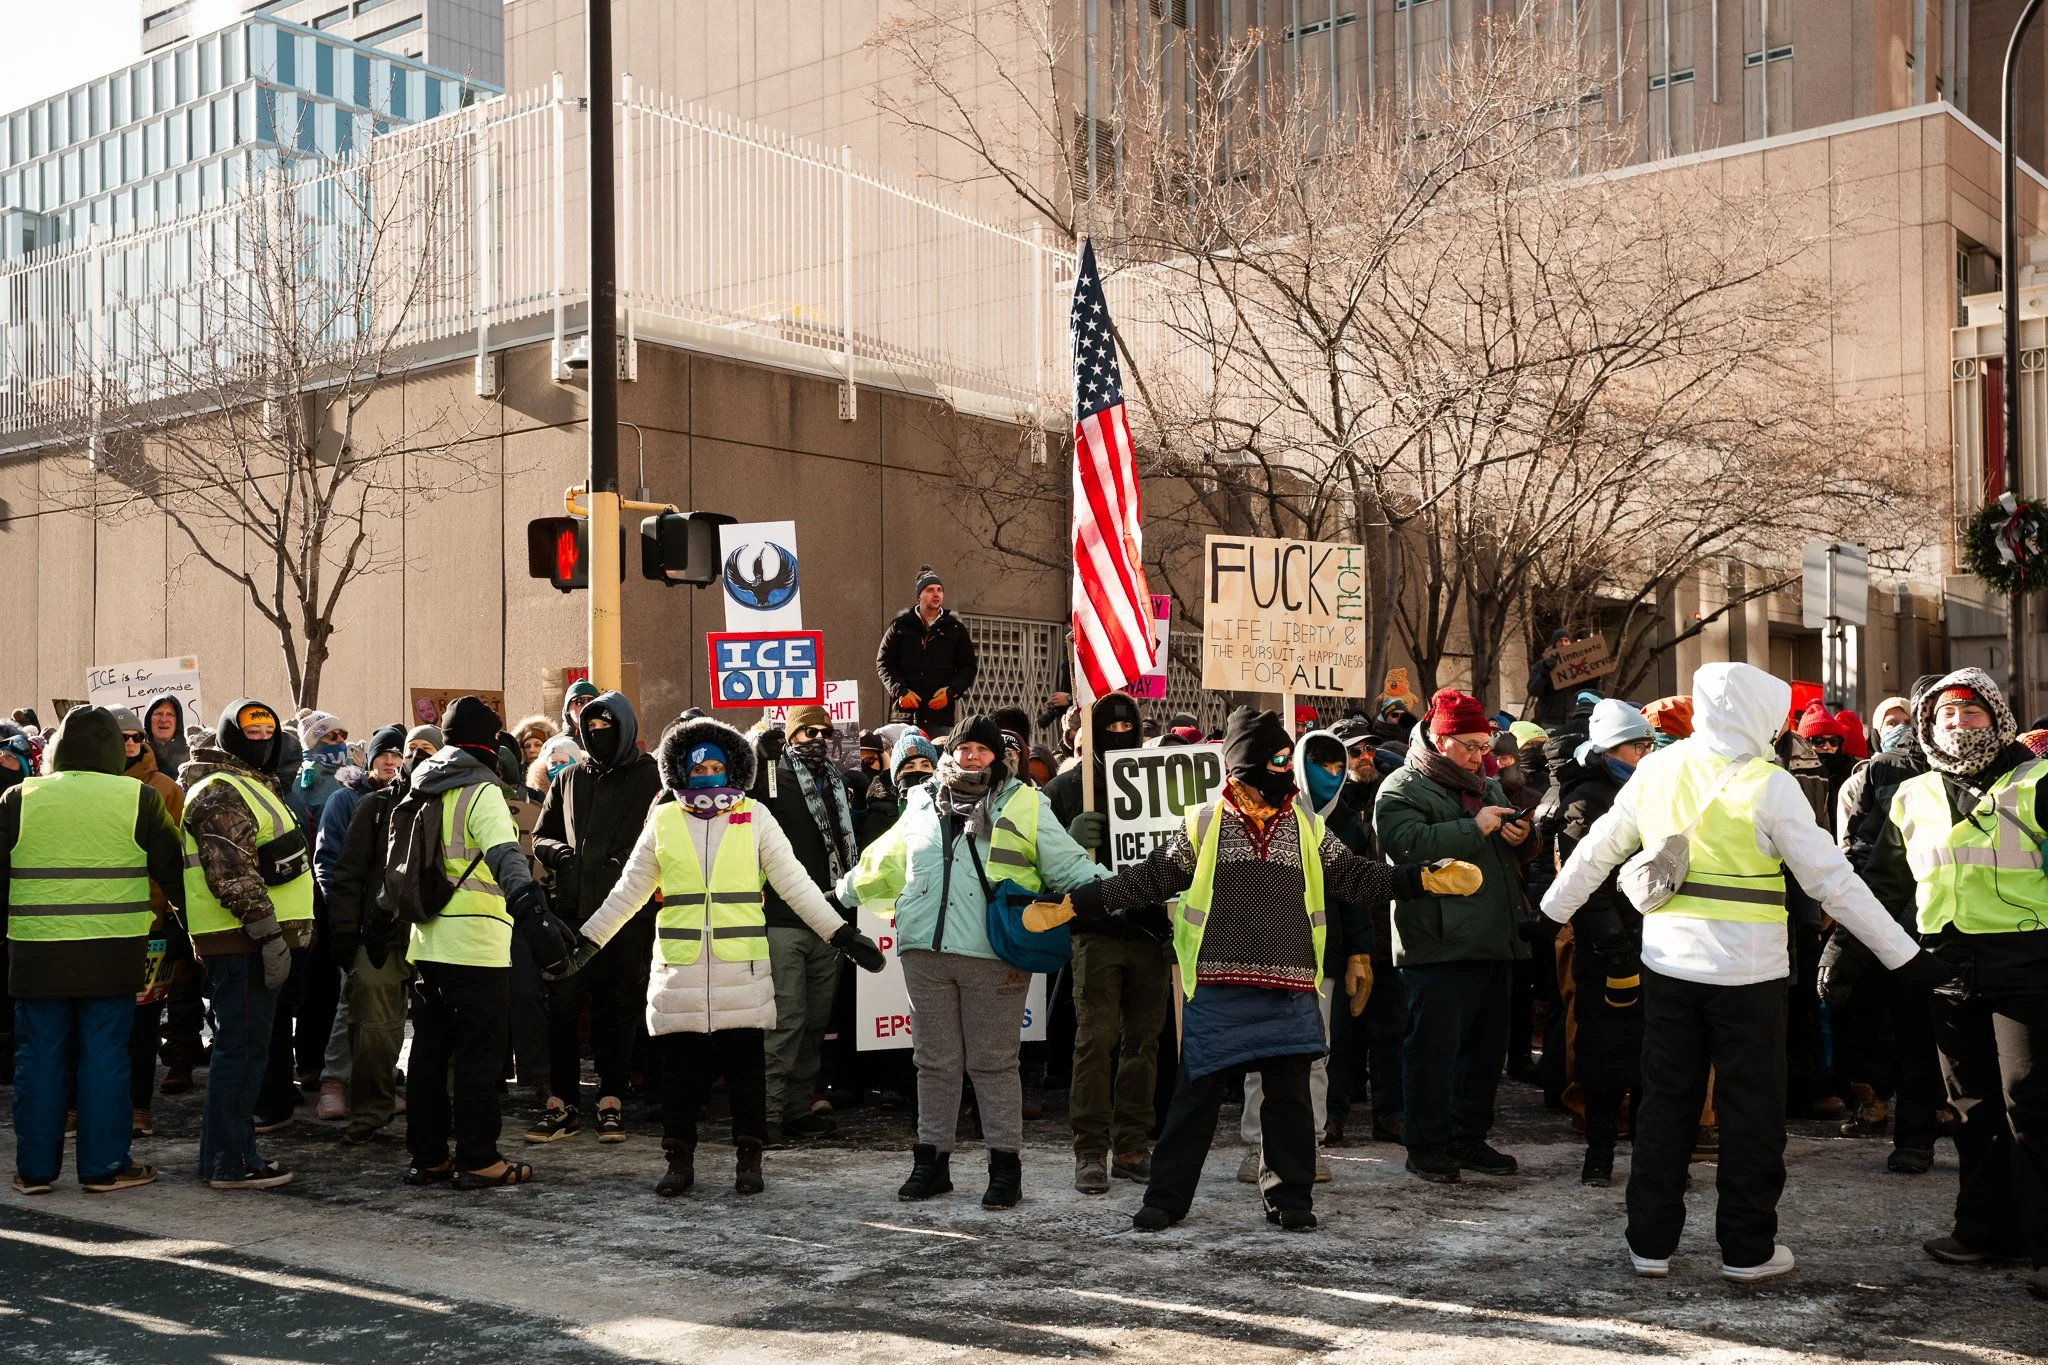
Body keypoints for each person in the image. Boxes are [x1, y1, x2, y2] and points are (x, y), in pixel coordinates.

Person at [1543, 662, 1945, 1284]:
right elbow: (1832, 883)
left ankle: (1649, 1243)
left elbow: (1599, 847)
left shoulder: (1655, 769)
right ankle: (1747, 1250)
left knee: (1665, 1104)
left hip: (1668, 963)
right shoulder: (1770, 783)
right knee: (1750, 1111)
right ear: (1761, 716)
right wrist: (1905, 956)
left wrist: (1550, 914)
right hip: (1750, 974)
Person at [1047, 706, 1480, 1232]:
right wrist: (1079, 903)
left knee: (1290, 1101)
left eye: (1285, 759)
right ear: (1244, 764)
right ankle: (1167, 1198)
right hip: (1218, 982)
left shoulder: (1306, 824)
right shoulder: (1204, 823)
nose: (1284, 769)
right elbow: (1150, 879)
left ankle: (1290, 1198)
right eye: (1275, 758)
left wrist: (1420, 879)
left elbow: (1357, 879)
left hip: (1290, 983)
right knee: (1196, 1097)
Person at [558, 717, 885, 1197]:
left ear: (732, 769)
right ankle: (678, 1160)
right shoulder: (664, 820)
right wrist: (586, 942)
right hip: (680, 970)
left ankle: (749, 1159)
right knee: (679, 1078)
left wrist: (840, 935)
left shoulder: (755, 817)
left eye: (716, 765)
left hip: (743, 969)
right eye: (698, 767)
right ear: (681, 773)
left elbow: (795, 884)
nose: (707, 774)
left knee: (746, 1073)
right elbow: (627, 892)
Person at [837, 714, 1106, 1209]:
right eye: (965, 749)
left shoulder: (1024, 802)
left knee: (993, 1063)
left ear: (997, 756)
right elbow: (889, 859)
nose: (974, 757)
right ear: (951, 752)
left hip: (994, 951)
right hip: (924, 950)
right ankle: (930, 1162)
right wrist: (841, 890)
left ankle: (1005, 1169)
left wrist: (1118, 890)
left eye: (983, 750)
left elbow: (1068, 864)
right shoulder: (921, 800)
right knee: (933, 1063)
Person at [1857, 669, 2048, 1300]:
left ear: (1997, 718)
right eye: (1945, 717)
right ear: (1924, 726)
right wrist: (1845, 944)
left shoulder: (2038, 780)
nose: (1958, 726)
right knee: (1969, 1106)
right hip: (1947, 968)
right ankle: (1983, 1229)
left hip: (2030, 965)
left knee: (2032, 1102)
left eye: (1971, 714)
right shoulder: (1910, 795)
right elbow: (1886, 883)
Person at [2, 706, 183, 1195]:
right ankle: (104, 1167)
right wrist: (196, 934)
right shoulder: (139, 797)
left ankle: (34, 1172)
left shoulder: (19, 797)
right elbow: (175, 871)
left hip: (37, 952)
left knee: (38, 1057)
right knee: (106, 1057)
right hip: (114, 950)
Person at [401, 696, 574, 1189]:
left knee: (429, 1054)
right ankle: (479, 1158)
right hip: (477, 944)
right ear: (491, 743)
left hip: (426, 940)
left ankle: (428, 1157)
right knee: (479, 1055)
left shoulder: (421, 787)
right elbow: (506, 859)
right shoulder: (481, 793)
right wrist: (535, 916)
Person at [1374, 688, 1533, 1185]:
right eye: (1468, 745)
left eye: (1484, 745)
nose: (1479, 755)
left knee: (1485, 1050)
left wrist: (1524, 838)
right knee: (1434, 1051)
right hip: (1437, 941)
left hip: (1493, 936)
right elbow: (1405, 847)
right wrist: (1474, 828)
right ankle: (1425, 1145)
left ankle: (1468, 1136)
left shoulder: (1487, 785)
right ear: (1440, 740)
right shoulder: (1401, 787)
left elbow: (1508, 849)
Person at [179, 700, 315, 1191]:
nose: (261, 737)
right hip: (244, 944)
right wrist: (269, 935)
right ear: (228, 735)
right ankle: (231, 1163)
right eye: (250, 729)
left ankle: (226, 1155)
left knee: (246, 1052)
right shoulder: (221, 792)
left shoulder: (251, 786)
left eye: (268, 729)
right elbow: (232, 875)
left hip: (254, 942)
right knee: (240, 1053)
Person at [1045, 693, 1172, 1194]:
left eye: (1128, 727)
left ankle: (1133, 1144)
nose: (1120, 735)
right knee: (1094, 1041)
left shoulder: (1159, 783)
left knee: (1145, 1042)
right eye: (1109, 728)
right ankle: (1090, 1150)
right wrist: (1071, 840)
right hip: (1095, 933)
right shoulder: (1064, 789)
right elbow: (1043, 869)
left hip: (1151, 933)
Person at [526, 693, 661, 1145]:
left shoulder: (651, 778)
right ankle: (562, 1102)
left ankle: (611, 1099)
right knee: (563, 1009)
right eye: (591, 730)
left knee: (618, 1008)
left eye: (607, 729)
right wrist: (556, 853)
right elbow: (539, 834)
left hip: (627, 916)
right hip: (571, 915)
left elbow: (663, 839)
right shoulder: (570, 779)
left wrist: (628, 862)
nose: (599, 737)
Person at [744, 704, 862, 1145]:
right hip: (780, 920)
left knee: (814, 1023)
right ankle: (768, 1116)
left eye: (823, 731)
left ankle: (796, 1108)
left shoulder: (836, 782)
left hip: (828, 920)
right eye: (806, 731)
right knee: (785, 1022)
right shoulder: (775, 774)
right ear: (790, 736)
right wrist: (764, 756)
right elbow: (751, 801)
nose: (816, 737)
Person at [1551, 699, 1657, 1186]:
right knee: (1604, 1055)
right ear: (1614, 748)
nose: (1647, 753)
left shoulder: (1647, 789)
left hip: (1651, 938)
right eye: (1639, 745)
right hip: (1607, 949)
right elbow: (1584, 881)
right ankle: (1599, 1153)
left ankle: (1649, 1155)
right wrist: (1615, 947)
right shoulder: (1587, 799)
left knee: (1651, 1056)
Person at [322, 735, 422, 1146]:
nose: (414, 760)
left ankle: (442, 1110)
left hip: (440, 937)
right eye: (408, 752)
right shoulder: (374, 807)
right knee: (373, 1032)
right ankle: (371, 1111)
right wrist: (345, 930)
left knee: (444, 1031)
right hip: (381, 940)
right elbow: (346, 873)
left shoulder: (459, 806)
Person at [309, 724, 406, 1122]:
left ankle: (375, 1086)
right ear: (369, 759)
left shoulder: (410, 800)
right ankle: (334, 1084)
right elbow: (330, 862)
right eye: (383, 753)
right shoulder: (346, 800)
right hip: (358, 919)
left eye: (397, 754)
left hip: (398, 923)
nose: (390, 760)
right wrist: (343, 917)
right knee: (350, 1001)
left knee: (385, 1013)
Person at [110, 708, 187, 1139]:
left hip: (151, 929)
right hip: (97, 931)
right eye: (120, 737)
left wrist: (171, 919)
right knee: (89, 1023)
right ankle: (74, 1107)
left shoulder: (165, 790)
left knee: (142, 1025)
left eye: (136, 737)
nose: (130, 744)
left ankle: (140, 1107)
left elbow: (171, 862)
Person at [876, 566, 977, 733]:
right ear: (919, 596)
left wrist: (951, 692)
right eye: (930, 590)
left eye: (939, 590)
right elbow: (883, 663)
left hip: (939, 717)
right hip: (904, 715)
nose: (936, 594)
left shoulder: (955, 628)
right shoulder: (899, 626)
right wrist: (899, 690)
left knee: (938, 757)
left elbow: (968, 667)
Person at [286, 711, 351, 825]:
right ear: (313, 743)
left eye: (342, 734)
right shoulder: (300, 785)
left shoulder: (357, 775)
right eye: (331, 736)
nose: (341, 740)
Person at [142, 695, 189, 776]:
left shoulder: (191, 757)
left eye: (170, 714)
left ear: (177, 721)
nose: (163, 719)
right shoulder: (139, 754)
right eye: (158, 713)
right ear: (149, 719)